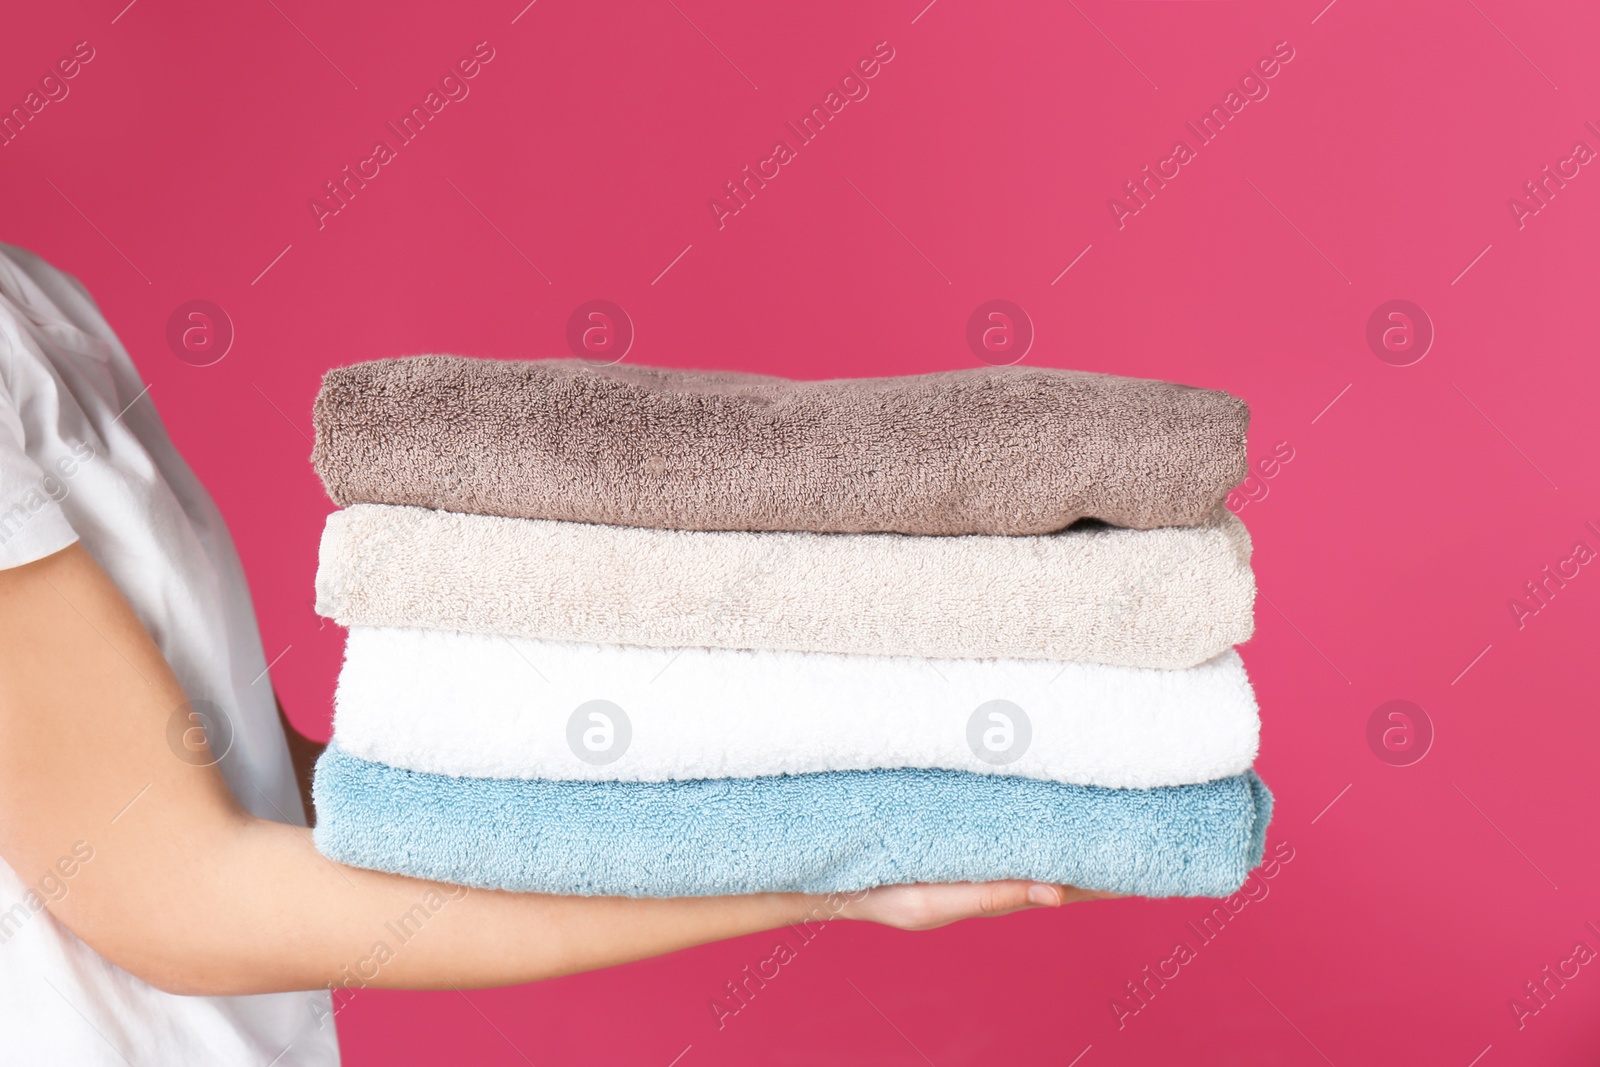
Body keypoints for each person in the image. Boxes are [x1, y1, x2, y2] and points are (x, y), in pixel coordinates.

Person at [0, 243, 1108, 1065]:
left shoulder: (31, 304)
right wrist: (824, 855)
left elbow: (271, 791)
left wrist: (798, 808)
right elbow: (185, 892)